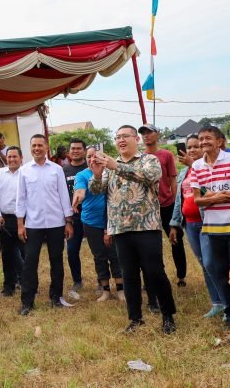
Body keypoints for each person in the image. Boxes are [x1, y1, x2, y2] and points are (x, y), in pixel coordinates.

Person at [88, 125, 177, 334]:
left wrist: (116, 167)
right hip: (121, 229)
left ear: (136, 139)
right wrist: (98, 175)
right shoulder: (110, 165)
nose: (120, 140)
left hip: (146, 226)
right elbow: (96, 190)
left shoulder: (148, 160)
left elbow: (151, 177)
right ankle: (135, 318)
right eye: (117, 137)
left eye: (125, 136)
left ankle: (168, 316)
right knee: (129, 275)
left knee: (155, 272)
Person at [16, 134, 74, 316]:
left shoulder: (57, 169)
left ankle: (56, 297)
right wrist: (20, 224)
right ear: (30, 147)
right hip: (33, 224)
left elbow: (64, 196)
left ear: (47, 147)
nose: (37, 148)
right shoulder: (24, 171)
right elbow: (21, 199)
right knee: (30, 262)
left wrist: (68, 222)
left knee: (56, 260)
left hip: (56, 223)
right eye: (34, 145)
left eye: (40, 145)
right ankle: (27, 302)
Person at [170, 134, 225, 318]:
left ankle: (227, 302)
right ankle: (217, 302)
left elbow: (209, 193)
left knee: (212, 262)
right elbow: (179, 200)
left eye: (196, 146)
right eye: (189, 147)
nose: (192, 150)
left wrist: (193, 165)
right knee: (204, 263)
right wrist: (174, 223)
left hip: (207, 221)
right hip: (189, 223)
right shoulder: (183, 173)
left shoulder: (208, 169)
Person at [190, 126, 230, 327]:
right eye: (201, 139)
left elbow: (205, 198)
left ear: (219, 141)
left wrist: (211, 197)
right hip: (212, 228)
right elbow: (197, 200)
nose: (203, 142)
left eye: (208, 138)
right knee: (217, 270)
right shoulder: (197, 166)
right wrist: (219, 197)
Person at [72, 146, 124, 303]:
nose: (92, 159)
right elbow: (80, 191)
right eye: (89, 157)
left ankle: (121, 290)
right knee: (99, 256)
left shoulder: (111, 173)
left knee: (115, 255)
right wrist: (77, 198)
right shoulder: (82, 175)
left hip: (113, 220)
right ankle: (105, 290)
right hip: (91, 222)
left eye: (95, 156)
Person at [139, 124, 186, 287]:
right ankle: (154, 277)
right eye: (143, 133)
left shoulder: (166, 155)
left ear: (157, 134)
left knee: (176, 240)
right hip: (147, 207)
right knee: (150, 245)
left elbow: (173, 180)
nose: (146, 136)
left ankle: (181, 276)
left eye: (149, 132)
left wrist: (176, 203)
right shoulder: (139, 157)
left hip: (167, 205)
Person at [0, 146, 26, 297]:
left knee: (26, 253)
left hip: (24, 219)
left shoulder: (26, 173)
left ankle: (28, 284)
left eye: (15, 156)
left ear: (21, 158)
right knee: (7, 254)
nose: (11, 159)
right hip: (5, 219)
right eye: (9, 156)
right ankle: (9, 287)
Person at [63, 139, 88, 296]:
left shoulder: (90, 167)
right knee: (72, 250)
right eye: (73, 148)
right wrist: (67, 220)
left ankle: (102, 281)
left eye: (79, 148)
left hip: (91, 216)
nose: (75, 151)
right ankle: (77, 281)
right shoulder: (63, 171)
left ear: (84, 151)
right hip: (73, 218)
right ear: (69, 151)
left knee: (99, 251)